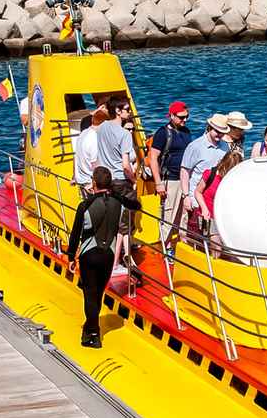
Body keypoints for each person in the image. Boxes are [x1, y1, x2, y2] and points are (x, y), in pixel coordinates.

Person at [70, 166, 139, 349]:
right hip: (108, 255)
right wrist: (116, 192)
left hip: (89, 255)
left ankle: (92, 331)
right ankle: (91, 328)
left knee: (89, 293)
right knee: (98, 293)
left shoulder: (85, 205)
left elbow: (75, 233)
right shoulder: (119, 201)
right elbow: (136, 205)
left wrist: (70, 256)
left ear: (93, 183)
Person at [94, 94, 138, 270]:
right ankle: (115, 263)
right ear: (118, 111)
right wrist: (133, 180)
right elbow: (126, 165)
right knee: (124, 224)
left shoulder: (102, 127)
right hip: (121, 181)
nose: (129, 112)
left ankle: (109, 256)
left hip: (106, 181)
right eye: (127, 110)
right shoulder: (124, 134)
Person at [147, 100, 192, 243]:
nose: (184, 120)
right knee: (168, 217)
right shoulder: (162, 133)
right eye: (181, 117)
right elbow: (153, 158)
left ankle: (177, 246)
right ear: (172, 116)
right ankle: (164, 249)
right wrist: (159, 183)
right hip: (170, 180)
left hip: (184, 180)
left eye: (186, 117)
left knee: (183, 216)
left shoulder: (186, 131)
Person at [180, 113, 228, 238]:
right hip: (196, 198)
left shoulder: (225, 146)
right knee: (193, 232)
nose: (219, 134)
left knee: (212, 233)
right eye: (216, 130)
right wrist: (186, 196)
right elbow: (185, 172)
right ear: (209, 127)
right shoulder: (195, 146)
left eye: (222, 132)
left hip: (214, 199)